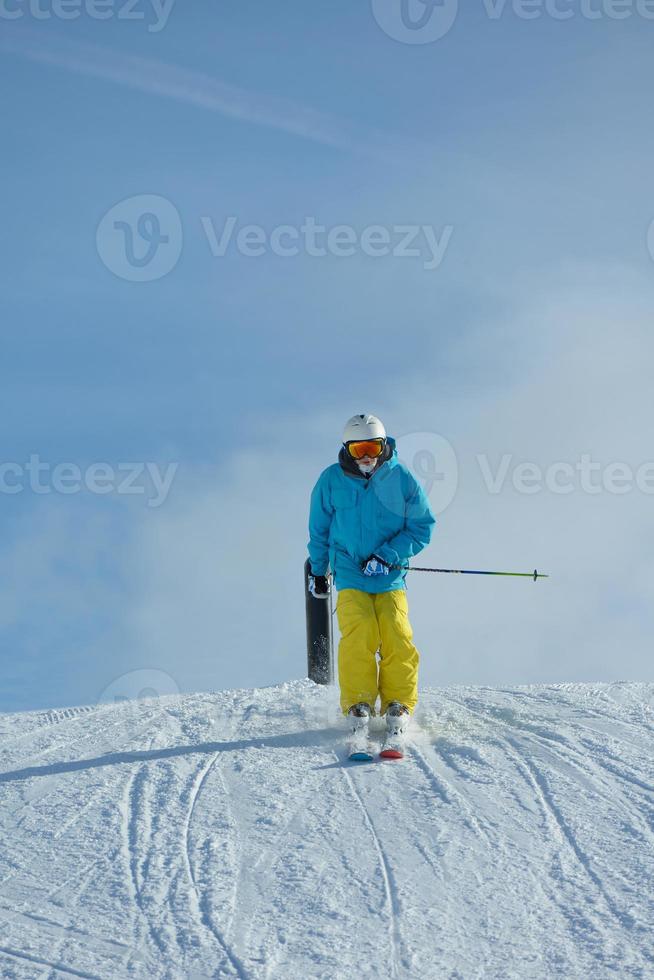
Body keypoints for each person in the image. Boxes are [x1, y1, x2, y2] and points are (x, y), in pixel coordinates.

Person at [307, 414, 436, 748]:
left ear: (383, 446)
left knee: (396, 630)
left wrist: (388, 555)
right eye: (359, 448)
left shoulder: (401, 478)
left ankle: (398, 701)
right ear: (348, 450)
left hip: (390, 575)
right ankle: (359, 702)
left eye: (373, 447)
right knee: (359, 631)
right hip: (350, 572)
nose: (366, 455)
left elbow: (422, 525)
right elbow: (319, 530)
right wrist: (319, 572)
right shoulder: (331, 481)